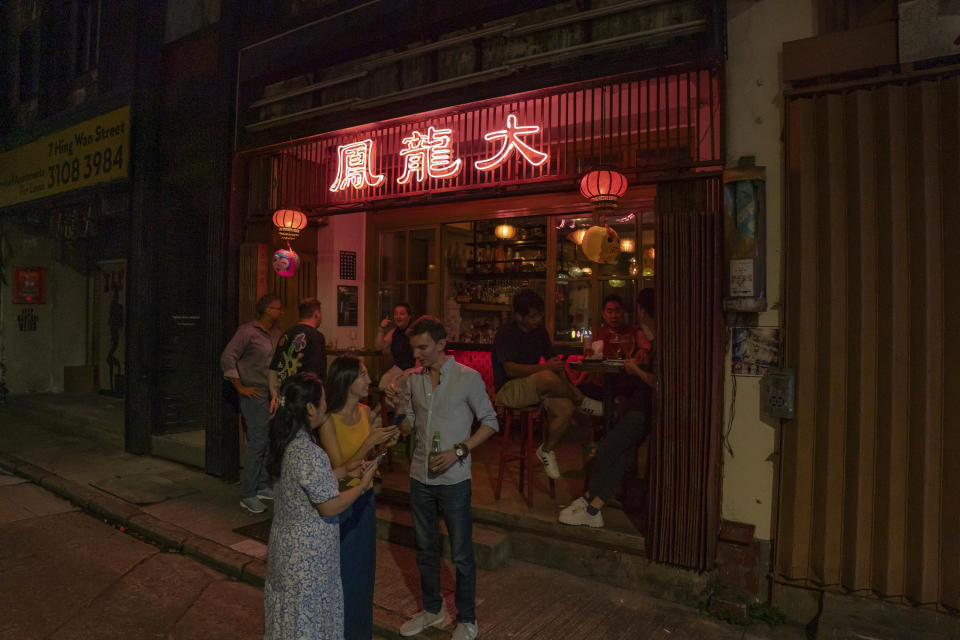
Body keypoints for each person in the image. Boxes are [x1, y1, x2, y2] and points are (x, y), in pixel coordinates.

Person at [387, 316, 499, 640]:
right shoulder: (413, 379)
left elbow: (490, 422)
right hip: (420, 475)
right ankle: (433, 611)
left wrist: (459, 451)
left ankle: (466, 618)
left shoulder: (468, 378)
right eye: (414, 348)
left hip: (454, 480)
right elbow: (409, 424)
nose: (417, 355)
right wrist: (401, 414)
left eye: (422, 348)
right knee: (425, 549)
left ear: (441, 344)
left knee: (461, 553)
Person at [263, 373, 379, 640]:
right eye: (323, 400)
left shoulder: (287, 444)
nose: (327, 405)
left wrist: (344, 470)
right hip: (309, 560)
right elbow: (330, 506)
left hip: (286, 551)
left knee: (288, 620)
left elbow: (309, 483)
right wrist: (361, 485)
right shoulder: (310, 452)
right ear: (310, 408)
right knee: (309, 623)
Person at [559, 288, 656, 528]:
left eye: (619, 311)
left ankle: (591, 505)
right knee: (620, 453)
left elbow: (657, 380)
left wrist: (636, 369)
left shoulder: (644, 336)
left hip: (641, 405)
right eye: (610, 311)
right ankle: (594, 505)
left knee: (606, 450)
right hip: (635, 403)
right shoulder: (635, 334)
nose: (615, 315)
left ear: (640, 311)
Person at [319, 355, 400, 640]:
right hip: (341, 504)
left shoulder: (366, 412)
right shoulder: (328, 419)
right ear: (346, 381)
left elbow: (368, 459)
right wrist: (368, 443)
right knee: (342, 577)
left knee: (363, 576)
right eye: (363, 375)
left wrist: (383, 447)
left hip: (365, 501)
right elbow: (338, 472)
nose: (369, 380)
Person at [491, 288, 602, 480]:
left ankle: (547, 450)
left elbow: (555, 363)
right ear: (518, 316)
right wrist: (544, 368)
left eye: (539, 315)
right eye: (533, 316)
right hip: (509, 390)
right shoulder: (506, 333)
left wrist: (560, 374)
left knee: (566, 408)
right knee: (548, 376)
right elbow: (511, 370)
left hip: (537, 388)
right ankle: (582, 400)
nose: (538, 320)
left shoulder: (539, 331)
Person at [220, 293, 284, 514]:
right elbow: (228, 356)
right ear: (267, 310)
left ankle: (262, 485)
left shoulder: (275, 334)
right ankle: (248, 493)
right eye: (277, 308)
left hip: (270, 392)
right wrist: (240, 387)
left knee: (266, 440)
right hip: (254, 393)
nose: (280, 312)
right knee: (257, 441)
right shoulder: (247, 331)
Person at [269, 298, 326, 414]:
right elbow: (317, 373)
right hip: (304, 400)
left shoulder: (286, 334)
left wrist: (275, 397)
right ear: (317, 314)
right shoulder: (316, 336)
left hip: (285, 398)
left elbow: (273, 369)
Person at [376, 302, 416, 398]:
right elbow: (380, 346)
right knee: (384, 381)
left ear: (409, 316)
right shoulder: (394, 332)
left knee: (399, 383)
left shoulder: (414, 331)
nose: (398, 316)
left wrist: (416, 370)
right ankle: (383, 410)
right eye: (396, 314)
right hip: (399, 367)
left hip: (413, 367)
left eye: (402, 314)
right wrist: (381, 328)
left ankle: (395, 410)